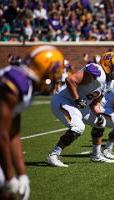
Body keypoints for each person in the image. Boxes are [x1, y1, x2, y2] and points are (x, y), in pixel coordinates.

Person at [0, 45, 64, 199]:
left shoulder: (26, 85)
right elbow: (1, 133)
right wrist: (9, 176)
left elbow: (13, 133)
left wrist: (22, 175)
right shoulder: (17, 83)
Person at [47, 52, 114, 167]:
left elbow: (95, 103)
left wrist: (98, 114)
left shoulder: (109, 82)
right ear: (107, 65)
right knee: (78, 127)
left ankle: (96, 155)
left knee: (100, 123)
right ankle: (53, 154)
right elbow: (70, 80)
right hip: (64, 101)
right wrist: (77, 99)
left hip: (79, 105)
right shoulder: (97, 71)